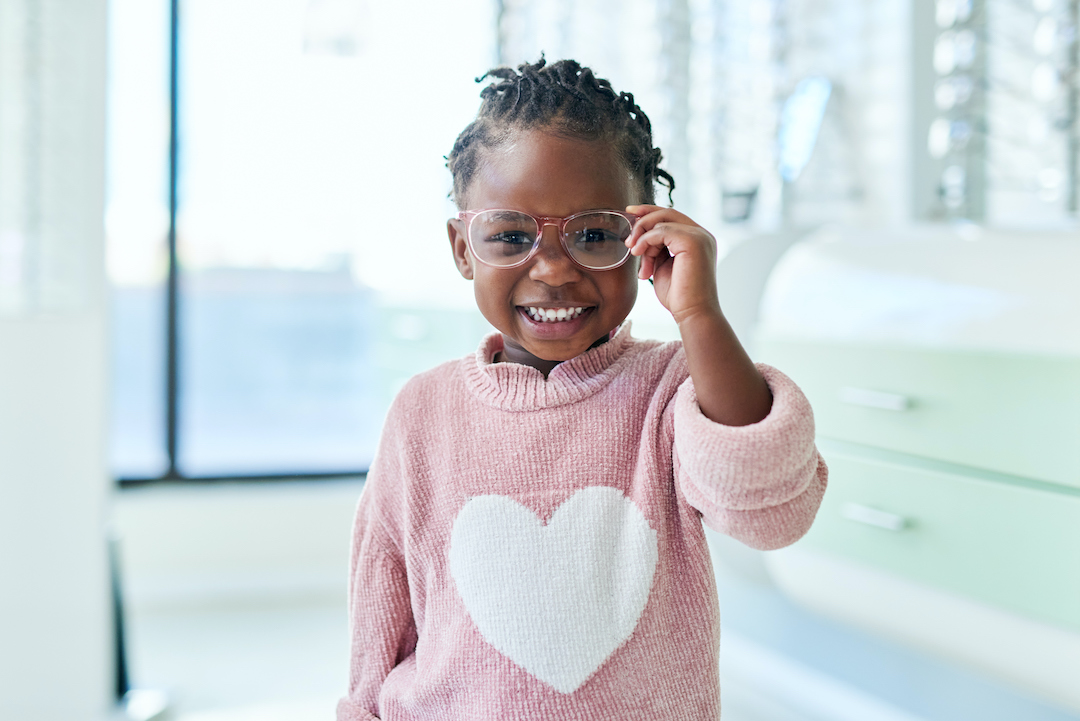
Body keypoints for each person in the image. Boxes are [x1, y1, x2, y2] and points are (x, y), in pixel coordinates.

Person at [337, 57, 827, 721]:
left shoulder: (673, 389)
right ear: (462, 248)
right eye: (510, 235)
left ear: (644, 240)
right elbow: (380, 597)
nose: (554, 270)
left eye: (595, 235)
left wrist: (700, 314)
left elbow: (772, 511)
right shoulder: (422, 410)